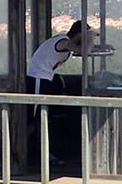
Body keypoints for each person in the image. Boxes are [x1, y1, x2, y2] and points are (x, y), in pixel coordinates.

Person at [26, 20, 86, 173]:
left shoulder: (61, 42)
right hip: (38, 78)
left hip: (46, 79)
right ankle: (20, 150)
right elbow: (81, 50)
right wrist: (91, 39)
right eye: (84, 36)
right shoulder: (63, 41)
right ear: (78, 35)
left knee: (42, 117)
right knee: (36, 117)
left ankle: (41, 152)